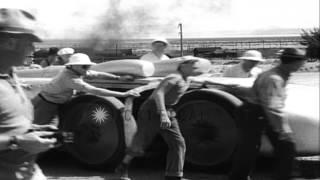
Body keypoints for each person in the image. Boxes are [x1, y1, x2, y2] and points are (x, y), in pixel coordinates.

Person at [115, 58, 207, 180]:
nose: (196, 69)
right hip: (152, 109)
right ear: (183, 66)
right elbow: (159, 93)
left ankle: (173, 176)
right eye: (193, 66)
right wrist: (163, 114)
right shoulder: (174, 77)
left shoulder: (187, 79)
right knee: (142, 141)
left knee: (178, 143)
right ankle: (123, 167)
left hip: (168, 110)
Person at [228, 48, 306, 180]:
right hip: (254, 113)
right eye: (302, 62)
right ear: (295, 63)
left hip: (257, 111)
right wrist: (283, 128)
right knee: (251, 149)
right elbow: (272, 107)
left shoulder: (275, 74)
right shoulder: (274, 78)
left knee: (283, 147)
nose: (302, 66)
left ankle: (285, 175)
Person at [0, 8, 58, 179]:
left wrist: (33, 130)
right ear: (10, 42)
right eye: (29, 42)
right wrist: (16, 141)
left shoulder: (10, 74)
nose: (33, 48)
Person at [32, 53, 140, 126]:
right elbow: (95, 90)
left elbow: (97, 74)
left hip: (58, 102)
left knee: (55, 128)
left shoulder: (77, 71)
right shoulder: (70, 78)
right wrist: (123, 94)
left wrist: (118, 77)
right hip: (46, 104)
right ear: (72, 66)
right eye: (84, 66)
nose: (87, 69)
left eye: (87, 66)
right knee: (40, 130)